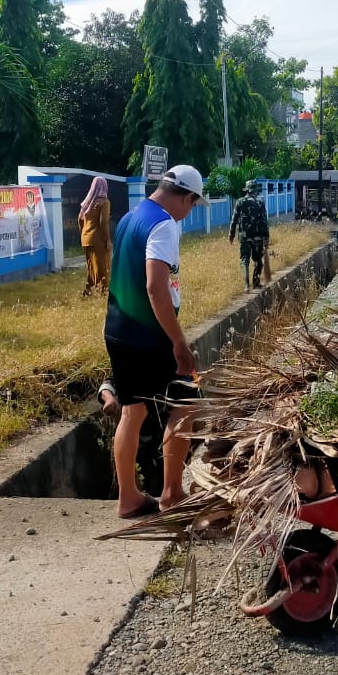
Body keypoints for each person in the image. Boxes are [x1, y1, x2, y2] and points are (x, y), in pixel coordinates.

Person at [104, 165, 205, 518]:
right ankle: (172, 494)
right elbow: (155, 286)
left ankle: (129, 498)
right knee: (187, 401)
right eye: (192, 205)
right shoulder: (163, 224)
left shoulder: (130, 218)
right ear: (186, 197)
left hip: (117, 330)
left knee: (133, 411)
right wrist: (178, 342)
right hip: (151, 335)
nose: (189, 212)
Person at [229, 180, 270, 291]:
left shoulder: (240, 202)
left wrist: (231, 234)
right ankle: (256, 282)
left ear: (247, 190)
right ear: (255, 190)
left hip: (245, 237)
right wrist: (267, 237)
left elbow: (234, 220)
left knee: (245, 260)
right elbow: (264, 221)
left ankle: (246, 285)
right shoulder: (261, 202)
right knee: (258, 261)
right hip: (258, 237)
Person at [79, 176, 112, 297]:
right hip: (97, 239)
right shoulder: (104, 202)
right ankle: (102, 292)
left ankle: (89, 289)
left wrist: (84, 234)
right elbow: (103, 222)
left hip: (86, 238)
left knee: (91, 266)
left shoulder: (87, 202)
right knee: (102, 267)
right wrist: (107, 239)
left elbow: (80, 219)